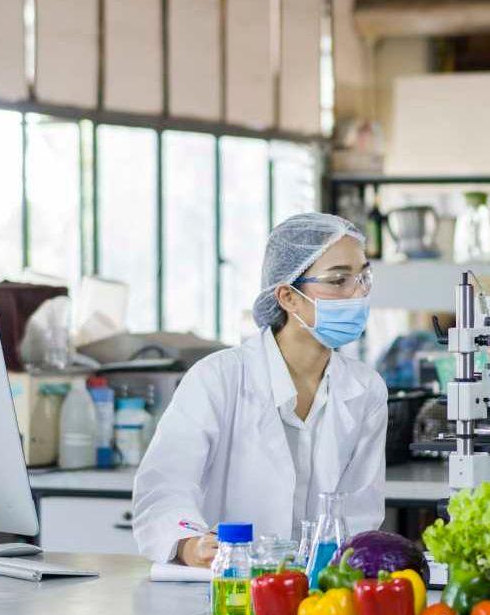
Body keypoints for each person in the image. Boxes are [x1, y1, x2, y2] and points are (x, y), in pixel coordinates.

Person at [133, 213, 388, 566]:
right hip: (225, 585)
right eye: (339, 280)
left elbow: (360, 511)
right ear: (288, 297)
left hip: (319, 593)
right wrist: (190, 544)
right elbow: (165, 484)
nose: (358, 293)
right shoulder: (219, 377)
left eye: (363, 277)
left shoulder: (366, 389)